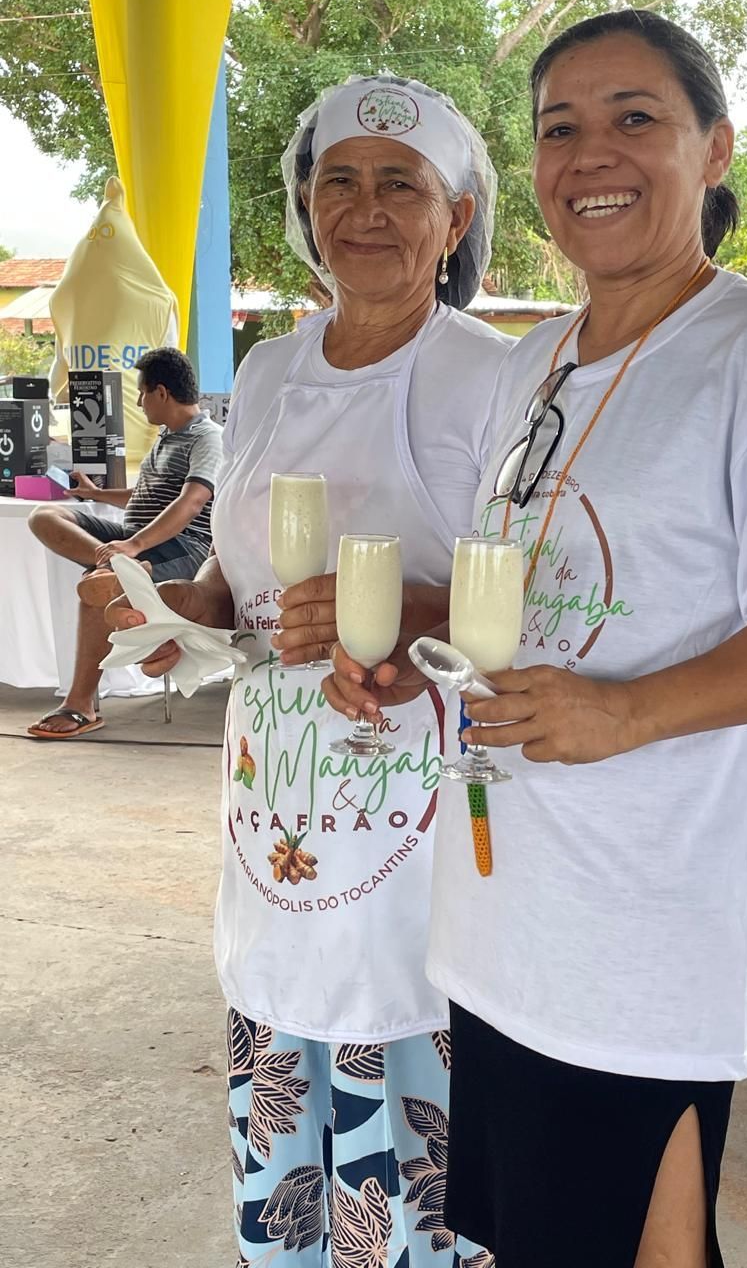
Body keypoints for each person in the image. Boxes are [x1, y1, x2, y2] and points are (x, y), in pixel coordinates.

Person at [322, 13, 747, 1268]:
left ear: (716, 148)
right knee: (529, 1240)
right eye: (559, 128)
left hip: (647, 931)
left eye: (636, 117)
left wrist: (624, 711)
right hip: (501, 913)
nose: (594, 154)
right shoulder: (536, 363)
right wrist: (401, 650)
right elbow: (516, 589)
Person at [106, 75, 508, 1267]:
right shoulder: (272, 370)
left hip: (415, 800)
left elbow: (537, 598)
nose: (366, 209)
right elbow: (240, 579)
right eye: (340, 180)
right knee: (284, 1104)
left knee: (411, 1121)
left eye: (402, 185)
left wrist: (405, 613)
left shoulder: (499, 377)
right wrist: (177, 606)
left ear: (458, 216)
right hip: (278, 801)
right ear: (304, 203)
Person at [26, 347, 221, 739]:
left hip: (183, 549)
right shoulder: (166, 438)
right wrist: (97, 495)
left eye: (142, 393)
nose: (138, 402)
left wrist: (133, 546)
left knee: (98, 590)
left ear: (161, 393)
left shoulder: (207, 437)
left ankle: (79, 705)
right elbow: (145, 496)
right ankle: (115, 570)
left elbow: (193, 499)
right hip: (136, 543)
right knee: (44, 516)